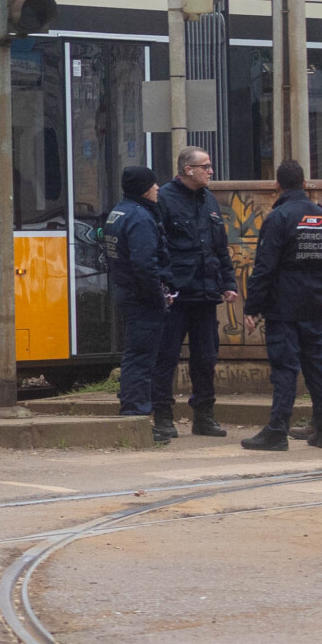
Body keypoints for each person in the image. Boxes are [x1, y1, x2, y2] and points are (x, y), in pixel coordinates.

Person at [241, 159, 322, 451]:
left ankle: (277, 430)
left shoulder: (278, 217)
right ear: (305, 184)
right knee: (318, 366)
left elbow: (265, 267)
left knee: (284, 368)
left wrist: (252, 306)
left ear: (277, 185)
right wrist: (320, 290)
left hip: (283, 306)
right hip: (314, 304)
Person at [153, 146, 240, 440]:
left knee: (205, 358)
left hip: (205, 293)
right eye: (206, 166)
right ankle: (163, 418)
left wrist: (228, 283)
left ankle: (204, 416)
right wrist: (164, 286)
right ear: (188, 170)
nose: (211, 171)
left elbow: (219, 248)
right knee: (166, 358)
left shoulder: (209, 201)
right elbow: (158, 248)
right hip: (176, 295)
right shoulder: (164, 199)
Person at [101, 166, 170, 421]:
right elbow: (145, 265)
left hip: (126, 291)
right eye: (153, 184)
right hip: (141, 297)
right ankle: (135, 413)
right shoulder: (140, 218)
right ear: (144, 189)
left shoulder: (118, 213)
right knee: (141, 358)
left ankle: (134, 409)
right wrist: (158, 297)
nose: (158, 188)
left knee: (134, 353)